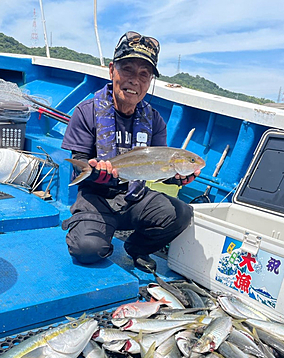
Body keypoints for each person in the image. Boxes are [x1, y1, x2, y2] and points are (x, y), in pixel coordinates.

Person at [61, 31, 200, 273]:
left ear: (149, 82)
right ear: (112, 70)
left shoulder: (155, 120)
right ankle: (93, 231)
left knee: (182, 213)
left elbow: (158, 171)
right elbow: (79, 162)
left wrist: (177, 177)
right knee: (87, 249)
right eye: (128, 70)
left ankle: (136, 248)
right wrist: (96, 173)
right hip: (97, 199)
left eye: (144, 74)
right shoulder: (86, 111)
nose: (135, 80)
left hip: (135, 198)